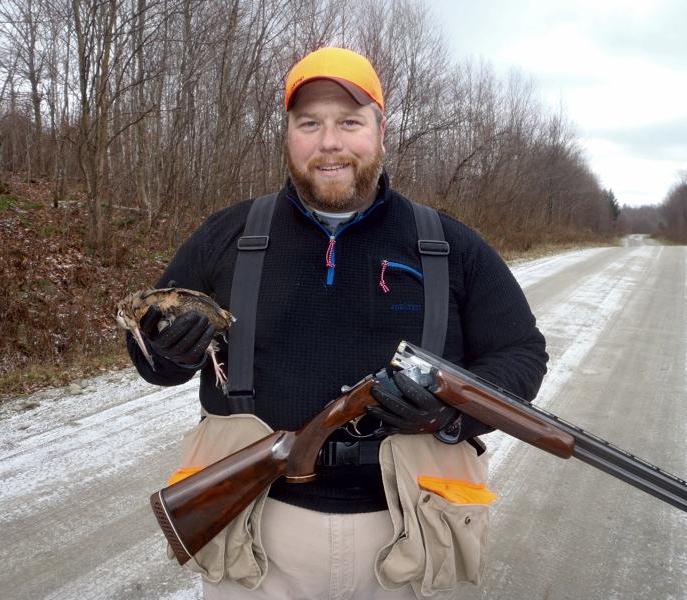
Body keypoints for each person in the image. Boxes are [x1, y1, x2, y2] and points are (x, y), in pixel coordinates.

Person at [127, 47, 548, 599]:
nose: (330, 142)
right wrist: (167, 352)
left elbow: (521, 353)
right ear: (288, 134)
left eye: (350, 122)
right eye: (310, 124)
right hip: (254, 535)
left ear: (380, 128)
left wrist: (451, 411)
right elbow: (150, 351)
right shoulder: (225, 234)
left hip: (407, 536)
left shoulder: (450, 245)